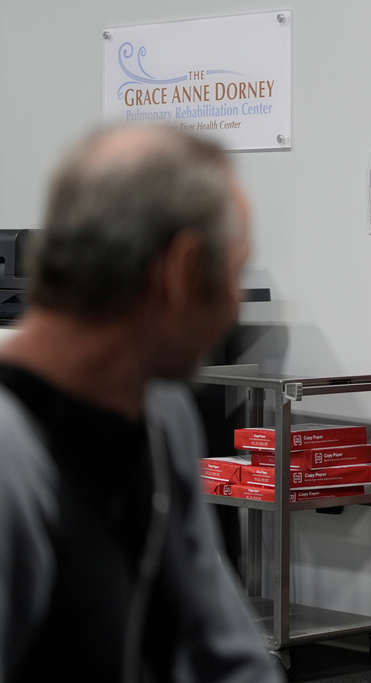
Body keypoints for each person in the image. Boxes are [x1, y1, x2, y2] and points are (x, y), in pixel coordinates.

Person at [0, 124, 281, 682]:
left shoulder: (161, 417)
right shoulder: (9, 457)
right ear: (180, 269)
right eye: (231, 272)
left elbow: (222, 648)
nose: (232, 304)